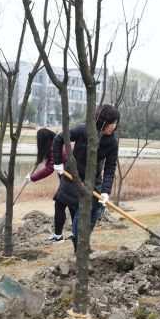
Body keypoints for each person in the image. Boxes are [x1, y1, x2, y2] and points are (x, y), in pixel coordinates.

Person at [52, 104, 120, 252]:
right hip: (74, 176)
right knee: (80, 208)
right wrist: (57, 162)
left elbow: (110, 167)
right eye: (111, 123)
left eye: (115, 123)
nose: (113, 127)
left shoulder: (112, 142)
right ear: (102, 120)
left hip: (93, 178)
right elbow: (59, 139)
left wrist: (106, 191)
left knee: (95, 208)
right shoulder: (84, 130)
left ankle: (82, 240)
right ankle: (79, 244)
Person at [25, 127, 72, 242]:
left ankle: (58, 236)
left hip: (70, 179)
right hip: (72, 178)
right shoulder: (59, 142)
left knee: (60, 205)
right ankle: (75, 233)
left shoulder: (54, 147)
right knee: (72, 206)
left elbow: (49, 168)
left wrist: (32, 177)